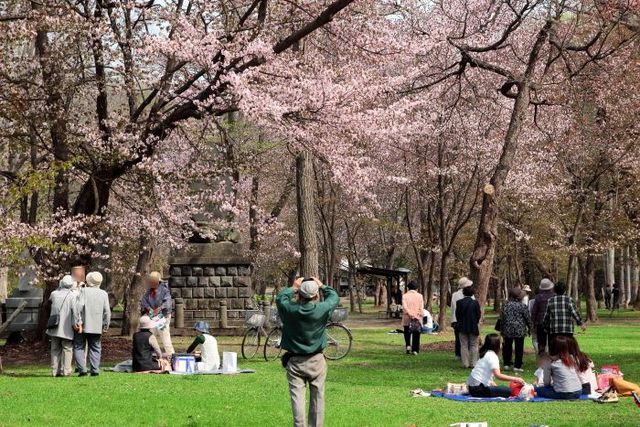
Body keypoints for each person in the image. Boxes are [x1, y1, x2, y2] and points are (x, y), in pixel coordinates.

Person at [276, 277, 339, 427]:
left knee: (297, 399)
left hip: (295, 361)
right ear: (316, 295)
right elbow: (334, 296)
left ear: (299, 295)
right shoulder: (322, 309)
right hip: (317, 360)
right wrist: (322, 285)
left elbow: (280, 298)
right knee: (317, 398)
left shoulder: (290, 309)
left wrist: (294, 286)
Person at [73, 271, 111, 377]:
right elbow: (107, 311)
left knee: (79, 346)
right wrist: (105, 325)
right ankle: (95, 370)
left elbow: (78, 307)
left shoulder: (84, 291)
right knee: (95, 347)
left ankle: (82, 370)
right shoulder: (103, 293)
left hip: (84, 325)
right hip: (97, 325)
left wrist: (78, 321)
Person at [47, 275, 78, 377]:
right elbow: (75, 312)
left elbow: (50, 301)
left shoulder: (54, 294)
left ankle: (54, 371)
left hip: (54, 326)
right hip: (67, 327)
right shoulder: (73, 296)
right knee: (67, 349)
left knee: (55, 349)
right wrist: (76, 324)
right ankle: (66, 370)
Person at [140, 271, 175, 355]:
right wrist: (149, 309)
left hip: (162, 316)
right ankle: (150, 355)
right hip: (152, 315)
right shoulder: (148, 291)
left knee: (164, 336)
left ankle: (170, 355)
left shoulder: (164, 290)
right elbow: (144, 301)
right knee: (150, 335)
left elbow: (167, 303)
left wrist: (159, 309)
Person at [543, 282, 585, 350]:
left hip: (554, 331)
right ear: (565, 290)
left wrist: (544, 326)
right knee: (567, 349)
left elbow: (546, 316)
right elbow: (574, 313)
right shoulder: (569, 300)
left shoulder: (550, 300)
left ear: (555, 290)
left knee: (555, 350)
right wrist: (581, 323)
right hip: (567, 330)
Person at [500, 288, 532, 372]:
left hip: (507, 329)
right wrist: (530, 328)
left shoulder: (506, 305)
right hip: (520, 330)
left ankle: (506, 364)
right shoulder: (522, 306)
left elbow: (502, 318)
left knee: (507, 347)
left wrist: (502, 329)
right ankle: (517, 366)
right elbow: (528, 319)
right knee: (519, 348)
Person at [455, 285, 481, 368]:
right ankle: (474, 363)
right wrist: (475, 321)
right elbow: (478, 315)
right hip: (473, 326)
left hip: (462, 326)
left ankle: (465, 363)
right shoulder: (475, 303)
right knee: (474, 345)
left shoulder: (459, 302)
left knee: (463, 345)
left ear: (463, 293)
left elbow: (457, 315)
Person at [451, 277, 474, 360]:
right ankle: (466, 355)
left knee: (458, 338)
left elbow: (453, 308)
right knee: (468, 338)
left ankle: (458, 354)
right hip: (467, 319)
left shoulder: (454, 295)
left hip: (456, 319)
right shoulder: (471, 296)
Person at [531, 278, 555, 354]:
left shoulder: (538, 297)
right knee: (552, 343)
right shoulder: (554, 296)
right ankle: (552, 361)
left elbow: (534, 311)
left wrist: (533, 322)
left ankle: (542, 362)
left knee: (541, 343)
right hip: (552, 323)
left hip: (540, 323)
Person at [401, 281, 424, 354]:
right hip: (417, 318)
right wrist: (417, 315)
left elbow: (405, 307)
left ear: (408, 288)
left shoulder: (404, 296)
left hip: (407, 317)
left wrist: (410, 314)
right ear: (416, 288)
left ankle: (408, 347)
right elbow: (421, 307)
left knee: (407, 333)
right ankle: (415, 350)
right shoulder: (420, 296)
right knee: (416, 333)